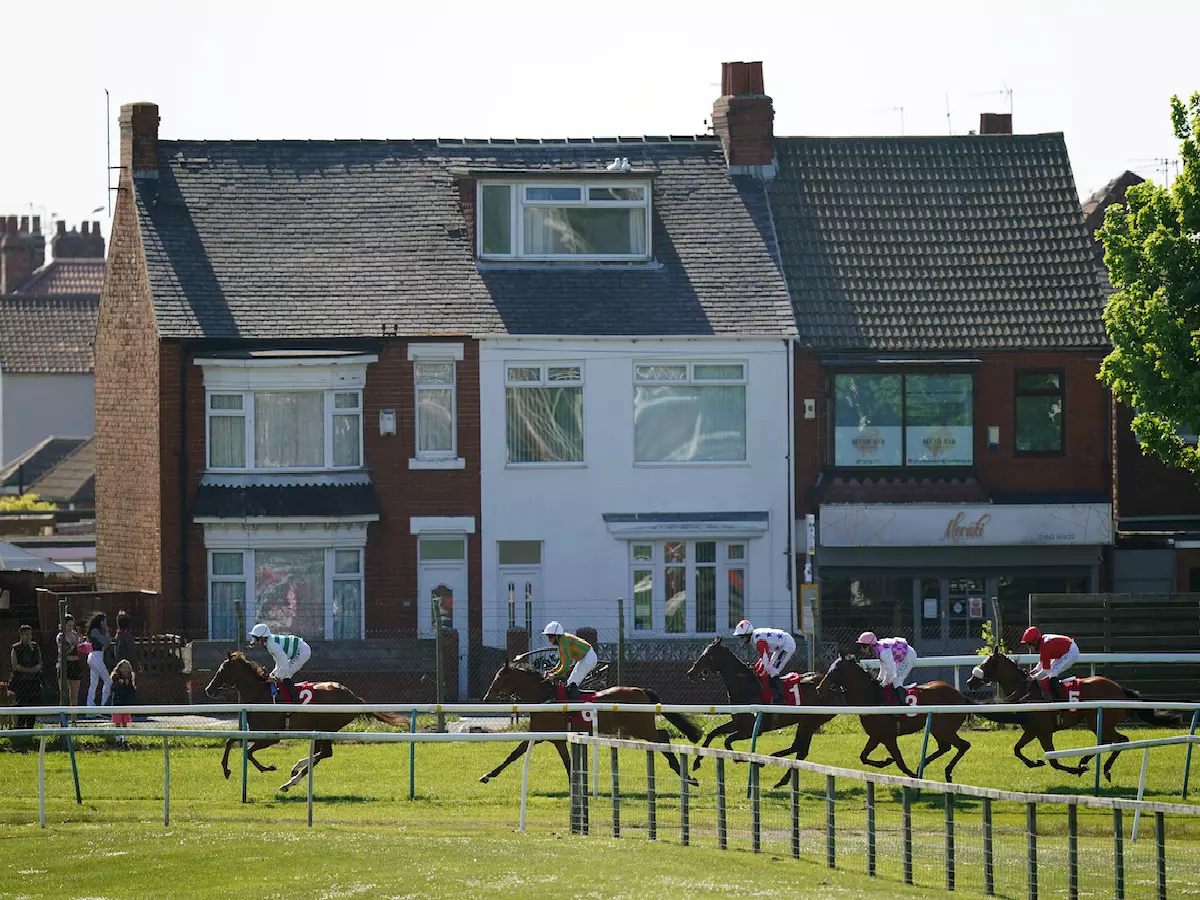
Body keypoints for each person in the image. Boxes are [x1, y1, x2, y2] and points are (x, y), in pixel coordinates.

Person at [732, 619, 796, 704]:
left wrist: (761, 671)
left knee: (773, 671)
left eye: (742, 637)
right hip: (782, 645)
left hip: (787, 645)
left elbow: (765, 658)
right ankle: (776, 694)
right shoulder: (756, 637)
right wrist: (758, 667)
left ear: (747, 635)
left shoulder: (758, 640)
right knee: (770, 669)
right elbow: (764, 658)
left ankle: (781, 697)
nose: (741, 640)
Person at [248, 623, 311, 703]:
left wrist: (276, 678)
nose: (256, 642)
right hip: (298, 650)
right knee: (281, 674)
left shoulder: (272, 645)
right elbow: (279, 661)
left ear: (263, 637)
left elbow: (284, 665)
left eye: (257, 639)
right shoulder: (269, 643)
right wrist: (273, 673)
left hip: (303, 651)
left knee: (286, 674)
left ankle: (295, 701)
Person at [856, 631, 918, 704]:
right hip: (902, 656)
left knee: (896, 680)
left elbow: (890, 670)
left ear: (871, 645)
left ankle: (903, 707)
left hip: (908, 655)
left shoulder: (883, 652)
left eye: (864, 646)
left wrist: (884, 682)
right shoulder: (877, 649)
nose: (862, 649)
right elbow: (883, 666)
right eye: (861, 646)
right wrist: (879, 679)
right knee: (892, 680)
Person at [1021, 627, 1081, 701]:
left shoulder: (1045, 645)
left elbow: (1046, 671)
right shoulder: (1042, 643)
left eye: (1029, 644)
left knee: (1052, 673)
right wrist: (1035, 671)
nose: (1029, 647)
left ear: (1035, 642)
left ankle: (1060, 701)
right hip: (1064, 651)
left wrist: (1034, 678)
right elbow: (1041, 663)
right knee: (1051, 673)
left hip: (1071, 652)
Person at [542, 621, 595, 703]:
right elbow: (561, 663)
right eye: (548, 637)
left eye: (550, 637)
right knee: (570, 682)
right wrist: (551, 671)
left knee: (572, 683)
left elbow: (566, 665)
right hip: (586, 657)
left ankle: (575, 709)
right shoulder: (562, 641)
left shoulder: (564, 643)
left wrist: (555, 674)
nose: (549, 640)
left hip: (588, 658)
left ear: (557, 636)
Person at [9, 624, 43, 732]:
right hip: (20, 682)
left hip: (33, 682)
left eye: (30, 634)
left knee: (32, 706)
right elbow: (15, 666)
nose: (29, 637)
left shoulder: (35, 647)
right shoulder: (16, 648)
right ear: (21, 635)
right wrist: (30, 670)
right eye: (26, 634)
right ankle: (19, 730)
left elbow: (39, 664)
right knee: (20, 706)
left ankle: (30, 729)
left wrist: (34, 669)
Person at [56, 614, 83, 719]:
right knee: (64, 693)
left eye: (72, 625)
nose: (71, 628)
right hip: (65, 664)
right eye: (68, 625)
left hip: (75, 664)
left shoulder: (74, 634)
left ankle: (74, 719)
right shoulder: (60, 636)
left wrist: (82, 643)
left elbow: (78, 648)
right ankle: (63, 719)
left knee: (74, 693)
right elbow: (65, 651)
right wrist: (75, 642)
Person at [84, 612, 112, 710]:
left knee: (93, 684)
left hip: (95, 656)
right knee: (108, 681)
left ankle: (90, 708)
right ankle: (104, 707)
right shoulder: (95, 631)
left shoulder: (97, 631)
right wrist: (106, 630)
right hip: (96, 656)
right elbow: (106, 641)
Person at [109, 659, 137, 747]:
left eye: (127, 668)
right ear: (119, 668)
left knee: (125, 721)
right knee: (117, 722)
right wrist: (119, 684)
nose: (125, 670)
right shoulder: (116, 678)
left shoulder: (129, 678)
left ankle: (124, 738)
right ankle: (117, 738)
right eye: (123, 668)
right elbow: (113, 689)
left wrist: (128, 685)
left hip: (125, 703)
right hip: (117, 703)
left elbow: (132, 691)